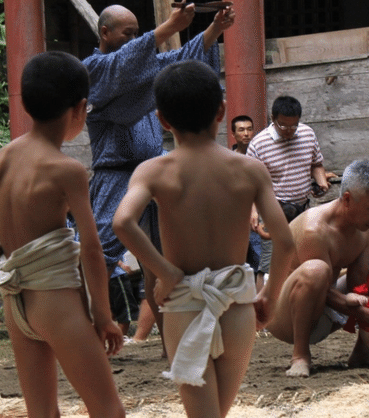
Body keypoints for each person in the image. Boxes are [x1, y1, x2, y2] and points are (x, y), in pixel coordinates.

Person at [112, 60, 294, 418]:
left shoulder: (154, 170)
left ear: (163, 119)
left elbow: (122, 223)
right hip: (238, 304)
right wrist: (269, 296)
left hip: (184, 303)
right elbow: (285, 241)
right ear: (221, 111)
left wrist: (165, 272)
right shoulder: (249, 170)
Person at [0, 51, 125, 418]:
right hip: (56, 303)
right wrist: (102, 316)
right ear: (81, 108)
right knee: (108, 411)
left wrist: (20, 266)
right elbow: (91, 248)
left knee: (42, 413)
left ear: (25, 102)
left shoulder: (4, 157)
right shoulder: (67, 169)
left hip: (16, 304)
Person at [83, 3, 235, 338]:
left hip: (154, 170)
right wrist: (167, 28)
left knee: (163, 255)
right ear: (104, 33)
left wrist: (213, 31)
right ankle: (86, 327)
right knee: (102, 251)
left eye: (138, 33)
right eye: (129, 33)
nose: (136, 39)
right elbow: (122, 68)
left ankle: (171, 339)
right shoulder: (94, 70)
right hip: (115, 173)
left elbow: (174, 65)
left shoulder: (145, 65)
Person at [265, 159, 369, 377]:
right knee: (316, 270)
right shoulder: (314, 229)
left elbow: (359, 285)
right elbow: (321, 286)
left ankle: (365, 351)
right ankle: (300, 355)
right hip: (285, 315)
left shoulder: (365, 229)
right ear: (347, 199)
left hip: (328, 306)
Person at [247, 95, 331, 283]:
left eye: (293, 126)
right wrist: (253, 212)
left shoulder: (308, 134)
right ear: (273, 118)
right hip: (273, 210)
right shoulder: (259, 144)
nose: (289, 131)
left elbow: (316, 164)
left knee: (303, 258)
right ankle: (264, 311)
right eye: (283, 126)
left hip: (303, 208)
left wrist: (321, 181)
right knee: (268, 265)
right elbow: (250, 184)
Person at [230, 115, 262, 289]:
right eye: (241, 130)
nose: (246, 134)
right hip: (235, 220)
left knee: (259, 261)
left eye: (249, 129)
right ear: (233, 134)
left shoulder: (260, 157)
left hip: (258, 217)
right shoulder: (228, 160)